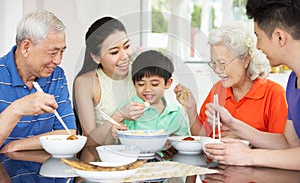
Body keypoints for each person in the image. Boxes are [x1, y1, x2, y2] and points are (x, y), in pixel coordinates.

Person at [204, 0, 300, 171]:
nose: (257, 47)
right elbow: (289, 144)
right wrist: (234, 124)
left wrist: (249, 156)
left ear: (280, 37)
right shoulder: (293, 81)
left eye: (259, 36)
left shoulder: (278, 90)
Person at [174, 21, 287, 139]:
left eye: (222, 63)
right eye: (214, 63)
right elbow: (201, 138)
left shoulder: (274, 94)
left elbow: (282, 149)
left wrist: (243, 139)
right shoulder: (218, 90)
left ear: (245, 60)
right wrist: (191, 109)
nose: (217, 70)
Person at [0, 9, 76, 153]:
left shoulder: (56, 76)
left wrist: (16, 146)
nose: (58, 61)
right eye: (53, 53)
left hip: (41, 170)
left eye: (62, 52)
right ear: (26, 47)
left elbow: (68, 132)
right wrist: (17, 109)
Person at [73, 16, 141, 146]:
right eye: (114, 52)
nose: (124, 56)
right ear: (96, 57)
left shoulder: (141, 73)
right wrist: (119, 115)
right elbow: (88, 141)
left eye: (127, 46)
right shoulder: (85, 83)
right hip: (104, 158)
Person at [112, 50, 189, 140]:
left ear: (168, 83)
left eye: (154, 84)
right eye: (141, 84)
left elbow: (184, 140)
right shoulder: (128, 109)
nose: (147, 89)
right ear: (134, 83)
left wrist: (171, 142)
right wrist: (114, 132)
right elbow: (111, 136)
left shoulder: (175, 113)